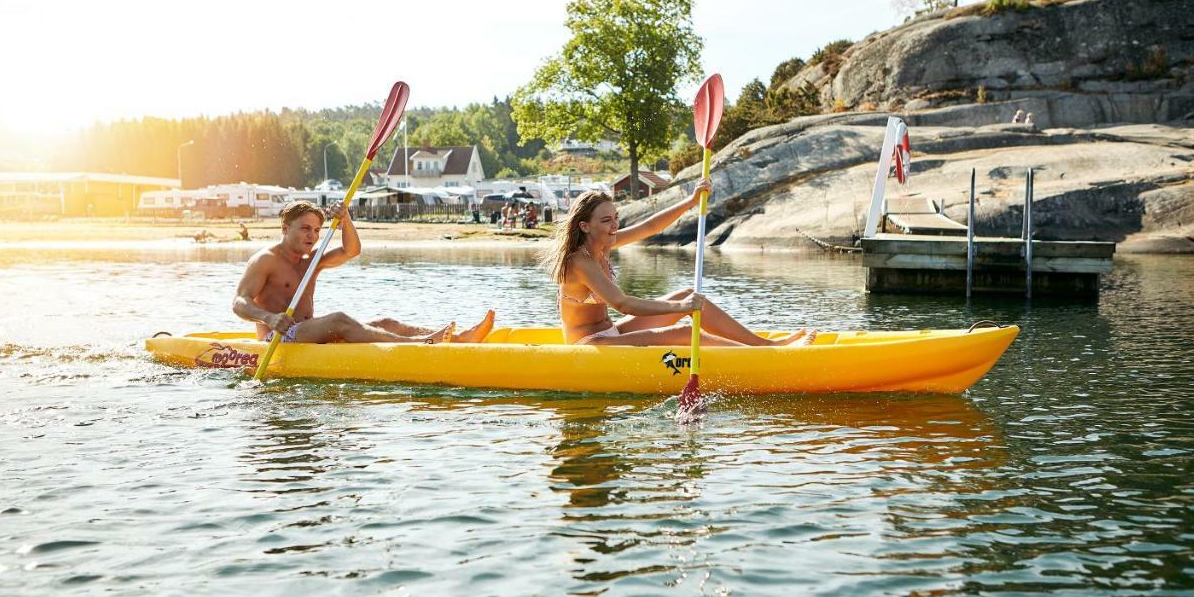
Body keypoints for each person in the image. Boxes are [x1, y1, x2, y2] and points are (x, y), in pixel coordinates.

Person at [545, 186, 816, 347]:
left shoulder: (603, 244)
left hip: (612, 332)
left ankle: (767, 346)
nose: (614, 225)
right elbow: (622, 304)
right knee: (684, 330)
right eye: (606, 220)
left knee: (689, 294)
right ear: (585, 226)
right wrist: (680, 309)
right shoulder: (579, 261)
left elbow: (650, 226)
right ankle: (770, 356)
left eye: (616, 218)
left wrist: (691, 201)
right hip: (589, 345)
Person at [233, 200, 494, 344]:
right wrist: (268, 318)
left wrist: (345, 219)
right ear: (285, 228)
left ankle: (460, 339)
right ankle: (422, 343)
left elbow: (351, 250)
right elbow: (239, 302)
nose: (312, 235)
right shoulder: (265, 260)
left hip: (308, 332)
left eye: (316, 230)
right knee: (338, 319)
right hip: (277, 339)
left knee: (387, 323)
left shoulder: (312, 260)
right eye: (304, 228)